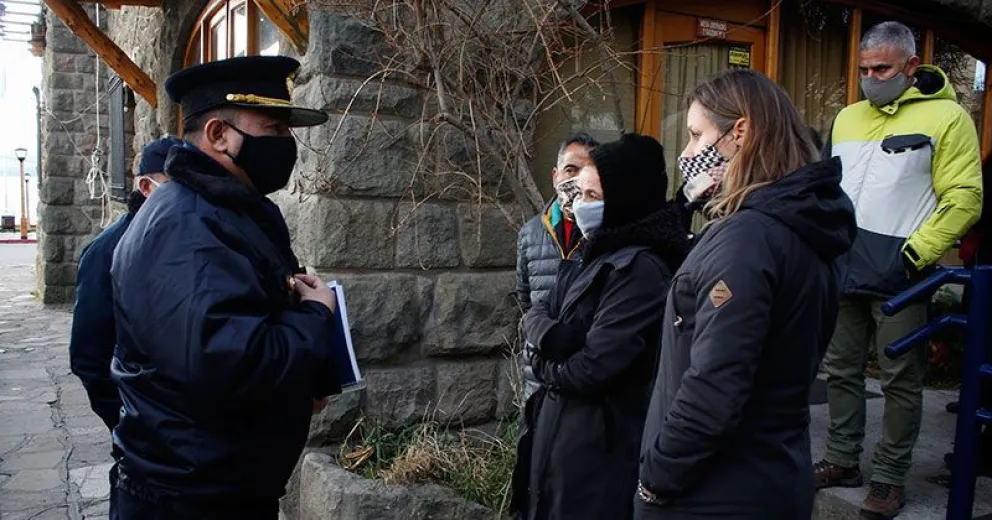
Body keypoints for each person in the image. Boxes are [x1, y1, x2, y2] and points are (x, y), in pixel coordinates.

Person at [110, 56, 340, 519]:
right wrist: (317, 316)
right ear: (218, 135)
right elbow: (229, 362)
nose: (286, 144)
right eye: (274, 129)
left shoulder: (229, 209)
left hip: (220, 486)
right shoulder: (187, 224)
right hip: (190, 499)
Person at [636, 69, 857, 519]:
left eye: (697, 136)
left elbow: (715, 386)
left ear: (740, 132)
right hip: (769, 474)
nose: (688, 153)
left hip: (717, 493)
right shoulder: (799, 225)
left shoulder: (748, 240)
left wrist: (656, 478)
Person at [816, 21, 983, 518]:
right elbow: (829, 188)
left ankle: (889, 478)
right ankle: (843, 459)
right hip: (845, 267)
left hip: (901, 277)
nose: (870, 78)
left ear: (912, 66)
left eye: (882, 68)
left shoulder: (948, 119)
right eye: (864, 69)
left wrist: (916, 254)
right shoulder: (847, 117)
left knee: (900, 381)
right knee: (841, 371)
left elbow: (965, 197)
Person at [523, 133, 689, 520]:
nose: (581, 206)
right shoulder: (590, 251)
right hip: (559, 442)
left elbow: (593, 367)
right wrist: (554, 339)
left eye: (593, 196)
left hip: (600, 453)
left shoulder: (639, 269)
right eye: (580, 194)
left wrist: (544, 363)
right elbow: (534, 311)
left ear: (623, 199)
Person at [69, 136, 180, 520]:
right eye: (178, 186)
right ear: (146, 187)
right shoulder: (106, 251)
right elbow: (88, 356)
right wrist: (127, 420)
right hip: (142, 443)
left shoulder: (185, 240)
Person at [510, 133, 597, 519]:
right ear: (554, 175)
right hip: (537, 381)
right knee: (532, 479)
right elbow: (524, 299)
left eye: (586, 171)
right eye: (570, 169)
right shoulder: (531, 233)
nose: (576, 181)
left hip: (583, 382)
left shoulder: (600, 231)